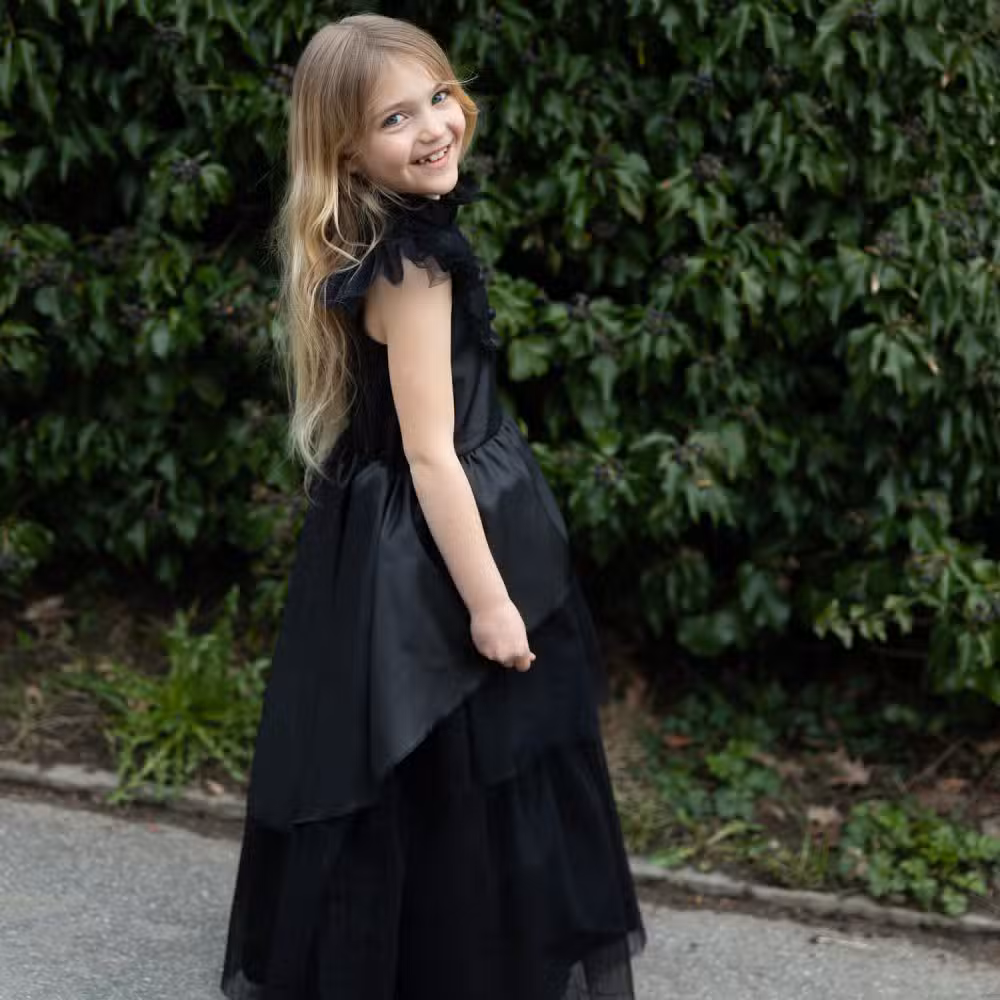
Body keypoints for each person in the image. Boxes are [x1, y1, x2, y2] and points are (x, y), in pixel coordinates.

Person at [219, 12, 647, 1000]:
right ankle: (453, 964)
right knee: (459, 747)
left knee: (423, 762)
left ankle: (421, 948)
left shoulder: (380, 235)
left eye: (438, 97)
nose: (433, 127)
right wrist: (490, 601)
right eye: (394, 118)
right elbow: (427, 451)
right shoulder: (411, 267)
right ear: (346, 150)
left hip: (396, 528)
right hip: (434, 542)